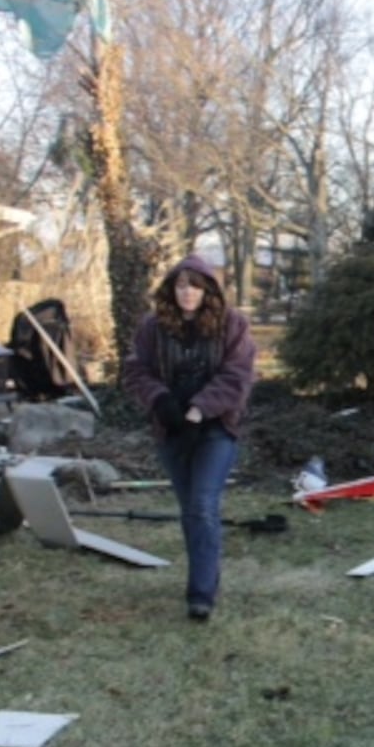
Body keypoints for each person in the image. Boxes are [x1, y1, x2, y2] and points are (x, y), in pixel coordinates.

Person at [123, 255, 256, 621]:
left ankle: (200, 594)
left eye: (195, 286)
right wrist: (160, 400)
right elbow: (135, 370)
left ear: (207, 290)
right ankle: (205, 574)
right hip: (171, 428)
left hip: (215, 427)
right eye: (181, 286)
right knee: (190, 510)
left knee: (202, 504)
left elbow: (238, 376)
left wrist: (200, 409)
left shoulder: (233, 325)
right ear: (171, 289)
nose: (187, 293)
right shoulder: (152, 327)